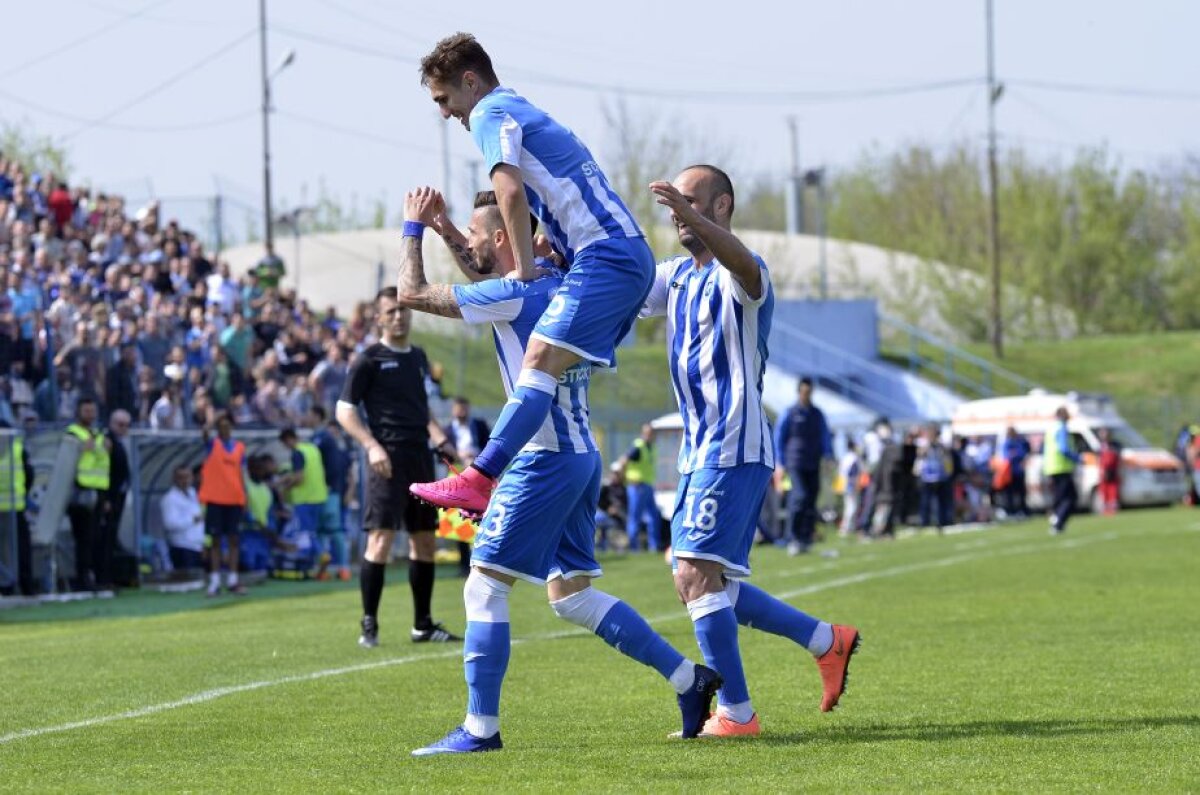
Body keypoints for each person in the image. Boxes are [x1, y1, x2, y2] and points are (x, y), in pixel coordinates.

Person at [398, 186, 720, 755]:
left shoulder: (513, 295)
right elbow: (484, 268)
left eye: (476, 237)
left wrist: (413, 229)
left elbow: (412, 293)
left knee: (483, 585)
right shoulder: (566, 289)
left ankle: (480, 729)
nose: (469, 246)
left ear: (502, 238)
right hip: (579, 455)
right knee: (571, 596)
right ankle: (688, 680)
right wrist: (452, 228)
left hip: (542, 458)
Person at [640, 165, 860, 737]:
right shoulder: (678, 278)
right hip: (699, 451)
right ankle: (824, 640)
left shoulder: (744, 271)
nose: (677, 213)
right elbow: (622, 278)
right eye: (675, 205)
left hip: (733, 445)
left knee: (693, 572)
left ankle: (737, 712)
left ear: (722, 206)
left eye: (691, 202)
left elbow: (741, 264)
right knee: (700, 578)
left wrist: (690, 218)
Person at [411, 33, 655, 515]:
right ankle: (490, 476)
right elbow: (491, 259)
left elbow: (511, 194)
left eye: (444, 99)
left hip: (606, 255)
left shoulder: (487, 113)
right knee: (571, 593)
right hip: (618, 255)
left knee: (538, 356)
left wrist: (524, 268)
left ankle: (480, 477)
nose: (445, 113)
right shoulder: (523, 109)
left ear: (469, 80)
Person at [335, 287, 461, 648]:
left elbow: (421, 411)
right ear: (378, 318)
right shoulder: (368, 360)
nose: (398, 316)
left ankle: (422, 625)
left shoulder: (418, 358)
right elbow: (344, 411)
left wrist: (440, 440)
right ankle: (369, 625)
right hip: (386, 457)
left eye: (403, 310)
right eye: (390, 311)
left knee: (425, 541)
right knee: (381, 539)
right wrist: (371, 446)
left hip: (420, 456)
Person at [774, 377, 833, 555]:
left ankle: (805, 538)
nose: (806, 394)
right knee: (799, 497)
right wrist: (780, 462)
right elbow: (779, 437)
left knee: (810, 500)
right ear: (799, 392)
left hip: (813, 462)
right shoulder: (790, 413)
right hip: (794, 463)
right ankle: (792, 537)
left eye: (809, 391)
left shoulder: (817, 414)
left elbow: (825, 436)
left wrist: (829, 455)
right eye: (804, 391)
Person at [197, 413, 248, 596]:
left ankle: (233, 579)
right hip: (215, 499)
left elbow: (242, 474)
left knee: (234, 539)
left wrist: (245, 495)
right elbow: (204, 433)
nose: (224, 429)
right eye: (221, 426)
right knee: (215, 541)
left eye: (227, 425)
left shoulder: (239, 447)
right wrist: (211, 419)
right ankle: (215, 580)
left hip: (234, 499)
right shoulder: (212, 444)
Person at [65, 398, 112, 591]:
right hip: (80, 493)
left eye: (92, 411)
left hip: (98, 492)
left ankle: (96, 577)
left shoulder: (98, 434)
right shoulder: (73, 434)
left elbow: (102, 465)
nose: (90, 415)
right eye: (86, 411)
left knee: (95, 538)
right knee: (83, 538)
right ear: (78, 412)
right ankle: (83, 579)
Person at [277, 426, 331, 578]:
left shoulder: (297, 453)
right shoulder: (312, 449)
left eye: (284, 444)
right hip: (319, 497)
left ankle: (320, 557)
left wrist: (284, 488)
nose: (285, 447)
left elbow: (299, 478)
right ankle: (317, 567)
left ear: (288, 439)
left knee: (305, 534)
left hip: (305, 499)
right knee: (312, 531)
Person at [310, 406, 352, 580]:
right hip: (324, 493)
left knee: (334, 529)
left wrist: (333, 488)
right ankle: (323, 570)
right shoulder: (319, 439)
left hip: (330, 493)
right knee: (321, 530)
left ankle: (343, 568)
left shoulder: (324, 440)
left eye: (309, 413)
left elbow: (343, 473)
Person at [0, 418, 35, 595]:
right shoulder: (17, 448)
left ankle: (10, 586)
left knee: (16, 549)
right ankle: (23, 585)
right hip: (15, 506)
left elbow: (29, 475)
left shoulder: (18, 449)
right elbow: (29, 475)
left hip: (15, 507)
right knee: (20, 548)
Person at [99, 409, 132, 589]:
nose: (123, 429)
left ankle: (109, 576)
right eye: (120, 424)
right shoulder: (107, 441)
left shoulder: (119, 442)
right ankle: (103, 578)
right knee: (105, 539)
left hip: (118, 498)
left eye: (126, 425)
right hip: (110, 498)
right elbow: (106, 471)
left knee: (111, 538)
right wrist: (106, 498)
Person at [622, 424, 664, 552]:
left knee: (654, 516)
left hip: (648, 485)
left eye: (651, 433)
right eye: (647, 433)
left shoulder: (652, 447)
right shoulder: (638, 447)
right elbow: (623, 461)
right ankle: (634, 547)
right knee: (635, 517)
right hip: (637, 486)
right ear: (643, 433)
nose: (650, 436)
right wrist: (625, 479)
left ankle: (654, 546)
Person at [160, 465, 206, 570]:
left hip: (197, 546)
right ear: (174, 479)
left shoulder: (193, 494)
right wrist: (192, 520)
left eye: (187, 477)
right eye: (181, 477)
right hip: (182, 546)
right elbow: (170, 524)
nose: (185, 480)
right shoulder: (170, 498)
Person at [1044, 406, 1080, 535]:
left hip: (1051, 467)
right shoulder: (1061, 428)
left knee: (1060, 497)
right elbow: (1064, 449)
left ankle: (1056, 518)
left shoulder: (1051, 428)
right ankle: (1057, 521)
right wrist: (1077, 458)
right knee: (1070, 498)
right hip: (1061, 467)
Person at [1001, 426, 1030, 517]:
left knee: (1021, 493)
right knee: (1010, 493)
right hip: (1009, 472)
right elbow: (1007, 456)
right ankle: (1011, 511)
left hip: (1019, 471)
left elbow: (1022, 453)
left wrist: (1014, 454)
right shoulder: (1007, 443)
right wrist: (1015, 455)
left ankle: (1022, 510)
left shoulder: (1019, 442)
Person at [838, 439, 862, 536]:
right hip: (850, 484)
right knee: (852, 507)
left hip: (844, 484)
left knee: (849, 506)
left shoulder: (845, 457)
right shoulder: (853, 458)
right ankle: (845, 527)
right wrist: (854, 484)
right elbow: (853, 473)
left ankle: (849, 527)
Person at [1097, 428, 1121, 515]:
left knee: (1113, 490)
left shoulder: (1114, 445)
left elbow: (1116, 458)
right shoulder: (1099, 446)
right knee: (1104, 491)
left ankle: (1112, 509)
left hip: (1112, 471)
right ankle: (1105, 509)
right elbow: (1099, 459)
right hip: (1103, 472)